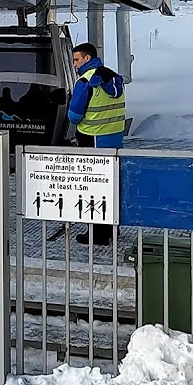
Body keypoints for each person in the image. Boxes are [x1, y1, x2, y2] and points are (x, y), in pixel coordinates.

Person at [67, 42, 125, 245]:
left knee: (93, 187)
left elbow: (74, 116)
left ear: (87, 58)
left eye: (76, 60)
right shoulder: (115, 77)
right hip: (114, 139)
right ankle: (112, 229)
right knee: (111, 184)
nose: (74, 65)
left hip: (92, 139)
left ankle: (97, 234)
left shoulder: (86, 81)